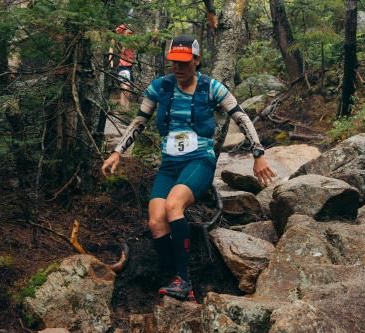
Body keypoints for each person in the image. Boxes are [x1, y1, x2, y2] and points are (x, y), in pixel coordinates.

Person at [101, 35, 277, 302]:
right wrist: (117, 152)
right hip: (170, 164)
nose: (178, 67)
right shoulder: (159, 88)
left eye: (184, 62)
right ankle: (171, 274)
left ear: (196, 60)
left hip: (199, 161)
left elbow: (240, 116)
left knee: (174, 206)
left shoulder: (212, 88)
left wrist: (258, 153)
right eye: (174, 62)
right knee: (156, 220)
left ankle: (186, 281)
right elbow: (139, 121)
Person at [109, 24, 136, 111]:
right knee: (125, 87)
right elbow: (113, 39)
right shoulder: (122, 30)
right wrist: (111, 59)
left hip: (131, 65)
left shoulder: (135, 34)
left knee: (127, 89)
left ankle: (125, 109)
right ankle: (123, 109)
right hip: (123, 64)